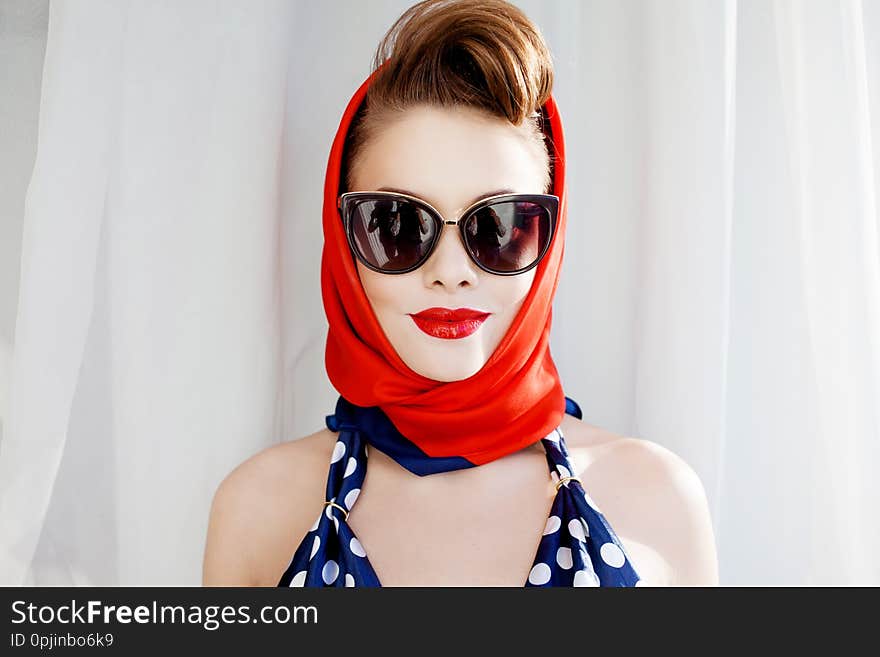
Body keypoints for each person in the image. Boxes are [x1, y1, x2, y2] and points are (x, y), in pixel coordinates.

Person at [202, 0, 719, 587]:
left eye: (499, 227)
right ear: (343, 241)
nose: (452, 273)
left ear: (547, 240)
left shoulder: (656, 500)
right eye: (398, 224)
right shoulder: (258, 511)